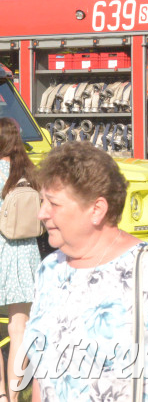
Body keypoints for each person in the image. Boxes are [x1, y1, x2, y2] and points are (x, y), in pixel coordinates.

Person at [19, 142, 148, 401]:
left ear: (96, 210)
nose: (42, 213)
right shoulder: (49, 270)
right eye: (42, 201)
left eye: (53, 204)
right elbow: (43, 375)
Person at [0, 118, 41, 402]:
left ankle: (0, 394)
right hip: (26, 254)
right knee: (19, 328)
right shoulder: (30, 173)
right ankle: (14, 397)